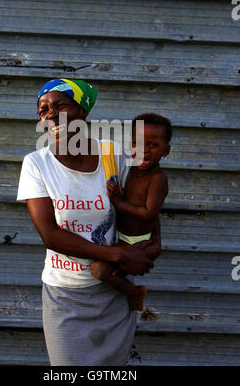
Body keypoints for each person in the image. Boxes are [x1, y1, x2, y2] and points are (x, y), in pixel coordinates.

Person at [16, 78, 160, 366]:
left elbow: (143, 202)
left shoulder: (112, 154)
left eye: (60, 106)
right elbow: (50, 235)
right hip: (65, 294)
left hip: (114, 289)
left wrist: (151, 245)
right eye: (43, 110)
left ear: (82, 111)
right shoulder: (36, 164)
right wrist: (117, 253)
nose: (51, 115)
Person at [90, 113, 172, 310]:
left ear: (166, 150)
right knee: (104, 269)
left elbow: (149, 213)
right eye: (138, 143)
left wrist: (118, 202)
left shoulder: (157, 179)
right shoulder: (129, 170)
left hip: (140, 243)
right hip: (121, 238)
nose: (144, 150)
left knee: (99, 270)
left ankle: (135, 293)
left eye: (152, 145)